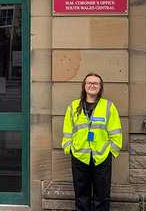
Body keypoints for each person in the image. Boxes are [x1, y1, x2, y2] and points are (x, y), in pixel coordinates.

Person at [61, 73, 122, 211]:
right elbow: (67, 129)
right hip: (79, 156)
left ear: (100, 87)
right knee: (81, 195)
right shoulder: (73, 106)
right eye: (89, 83)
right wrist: (68, 147)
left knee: (102, 195)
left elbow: (115, 131)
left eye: (96, 83)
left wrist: (112, 150)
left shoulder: (108, 106)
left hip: (102, 157)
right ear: (84, 86)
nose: (92, 85)